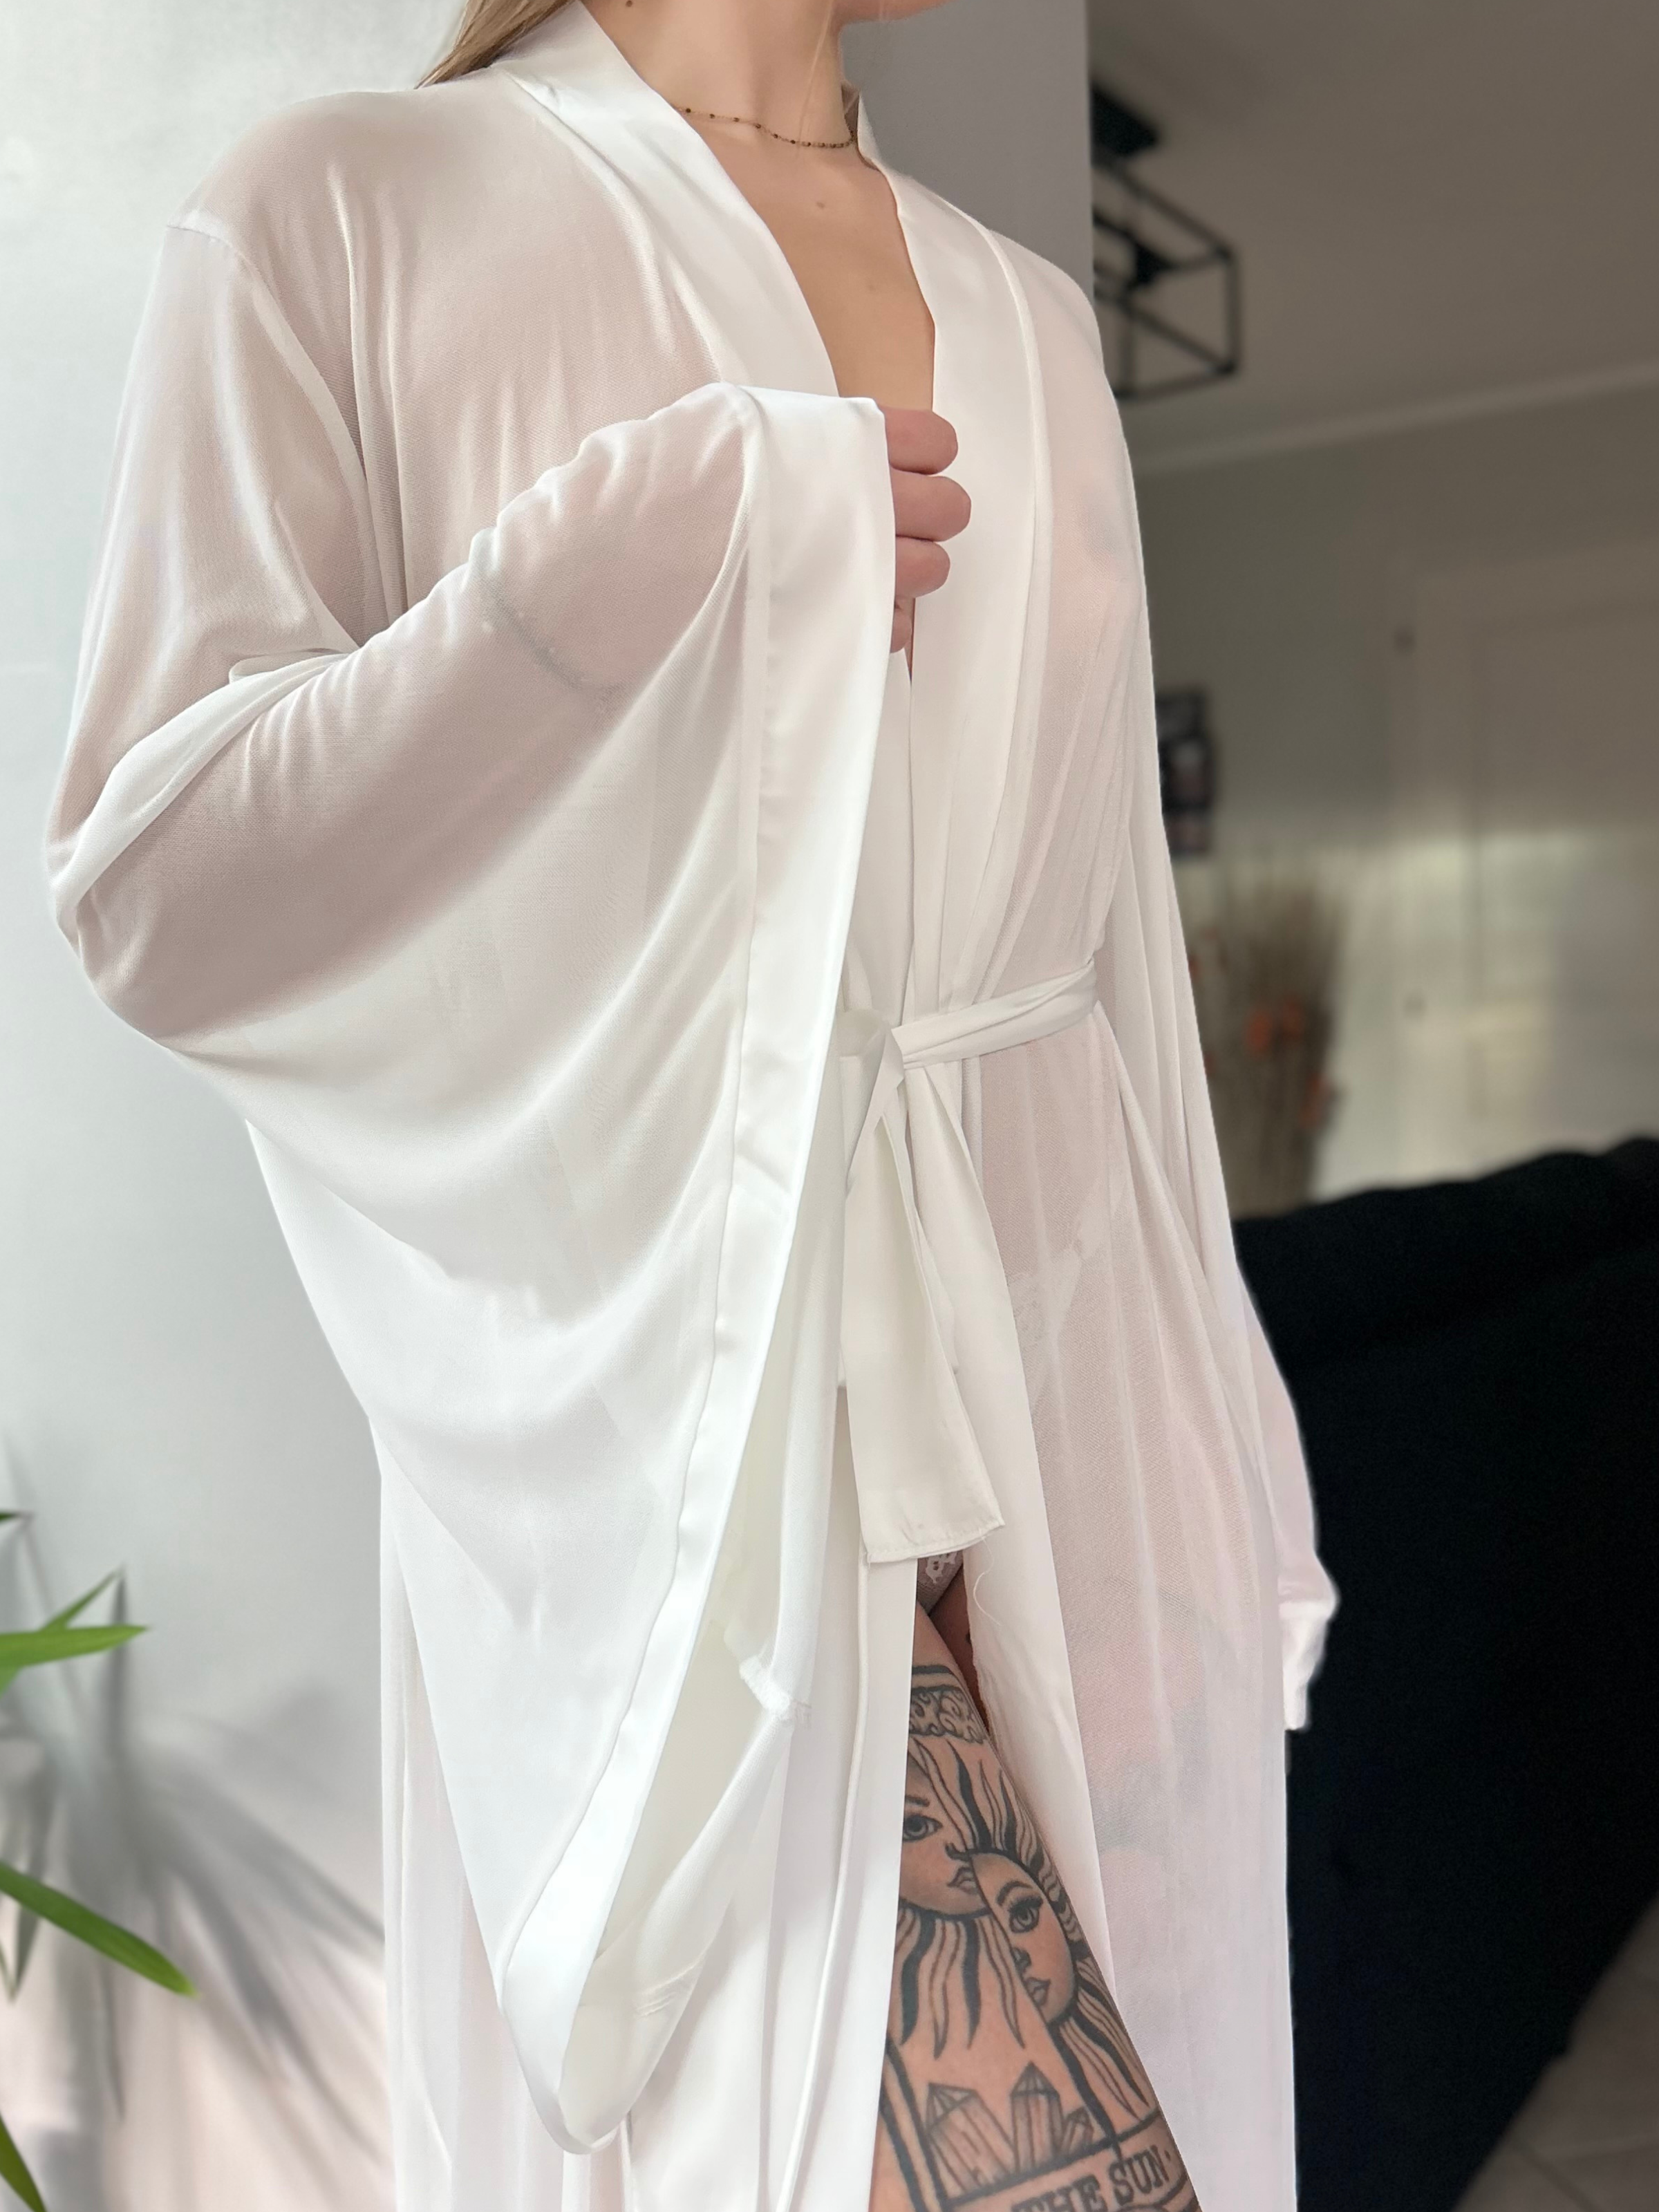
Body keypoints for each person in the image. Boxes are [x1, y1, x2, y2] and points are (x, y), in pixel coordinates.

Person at [45, 2, 1337, 2207]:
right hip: (686, 1499)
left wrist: (1194, 1495)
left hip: (1058, 1471)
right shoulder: (345, 212)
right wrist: (594, 588)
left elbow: (1102, 971)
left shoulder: (1033, 318)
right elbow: (161, 884)